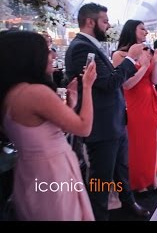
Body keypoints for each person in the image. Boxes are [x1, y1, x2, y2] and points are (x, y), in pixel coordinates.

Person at [65, 2, 150, 221]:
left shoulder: (91, 45)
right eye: (104, 21)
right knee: (100, 179)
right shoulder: (81, 48)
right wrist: (131, 59)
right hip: (101, 125)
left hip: (113, 120)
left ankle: (129, 202)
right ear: (90, 22)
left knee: (121, 168)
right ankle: (98, 215)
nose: (108, 25)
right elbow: (109, 83)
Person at [0, 30, 96, 220]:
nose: (52, 54)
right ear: (27, 56)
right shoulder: (34, 93)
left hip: (31, 171)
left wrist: (71, 104)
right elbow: (84, 127)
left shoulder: (11, 93)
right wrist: (87, 86)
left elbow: (45, 133)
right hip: (52, 173)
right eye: (45, 50)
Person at [112, 20, 157, 193]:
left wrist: (155, 63)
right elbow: (126, 84)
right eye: (142, 28)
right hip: (134, 103)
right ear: (131, 30)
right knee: (137, 143)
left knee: (152, 141)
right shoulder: (120, 55)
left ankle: (152, 176)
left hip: (150, 100)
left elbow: (155, 80)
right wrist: (143, 67)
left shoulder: (146, 51)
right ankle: (139, 180)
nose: (146, 31)